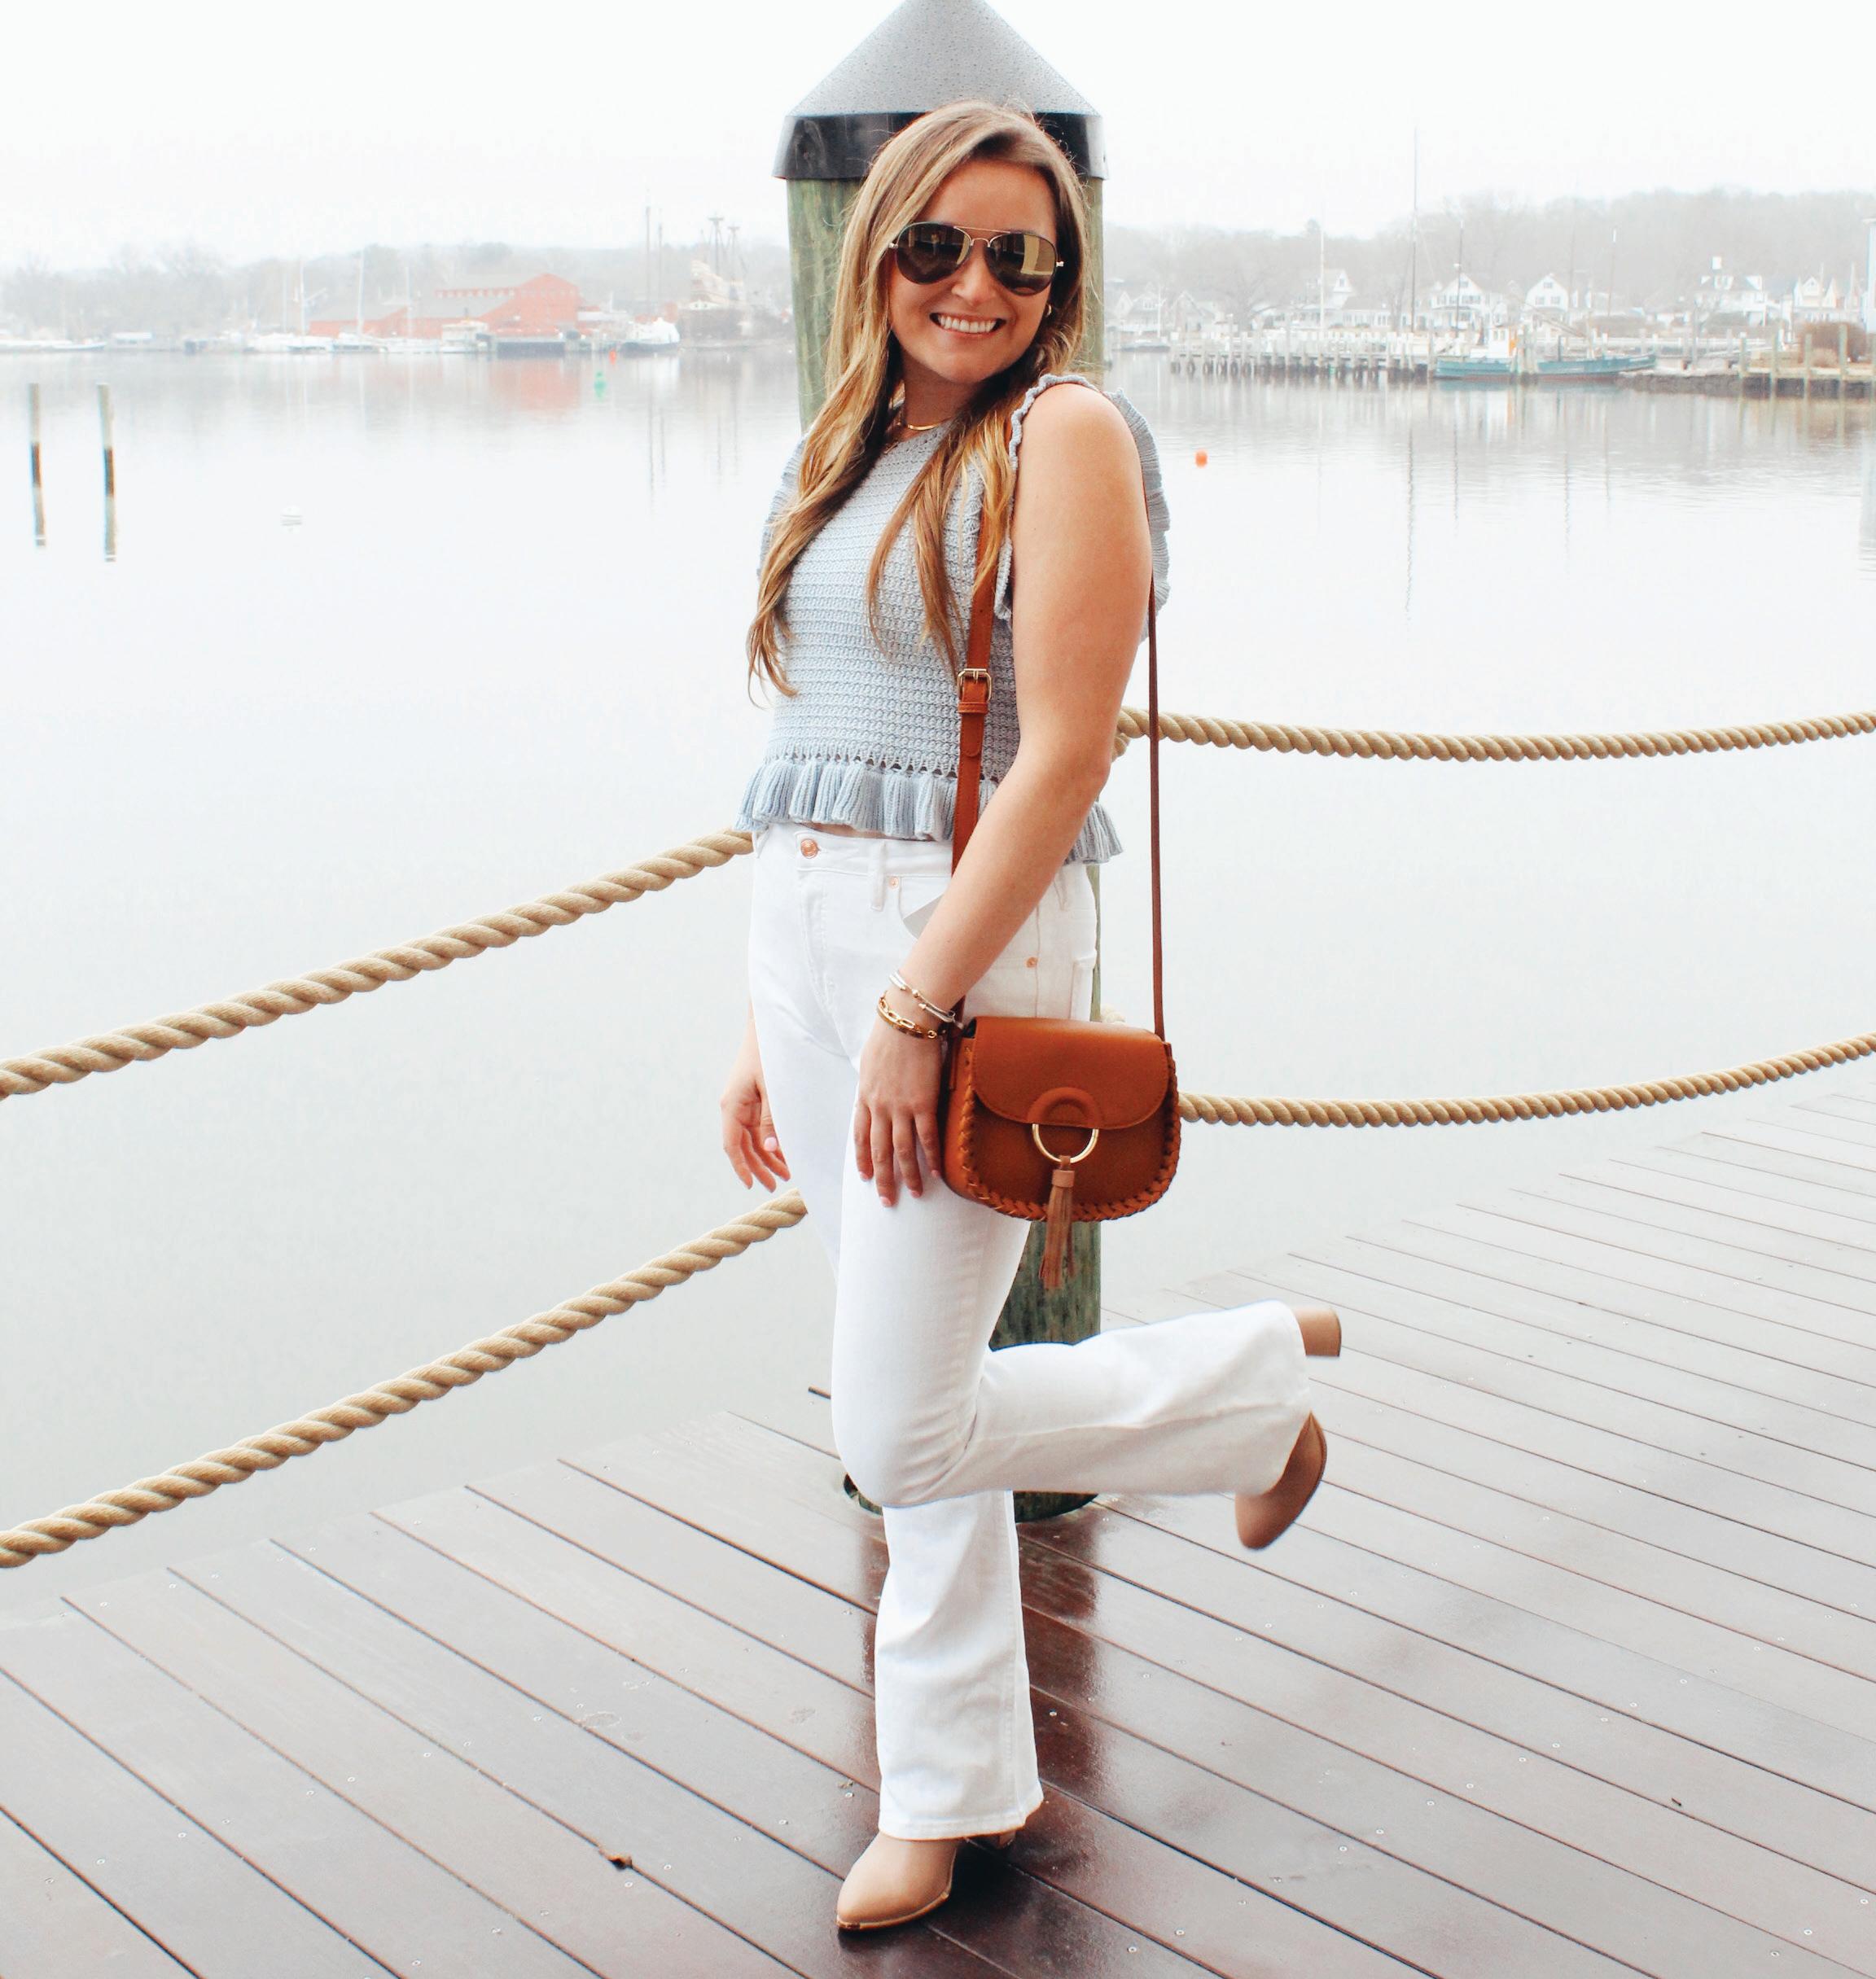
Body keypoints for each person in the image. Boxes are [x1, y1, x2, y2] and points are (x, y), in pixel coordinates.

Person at [720, 98, 1339, 1933]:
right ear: (877, 252)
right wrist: (770, 1014)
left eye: (1018, 254)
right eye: (938, 245)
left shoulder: (1063, 436)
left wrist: (913, 1000)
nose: (973, 285)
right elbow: (805, 737)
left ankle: (1249, 1397)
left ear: (1061, 278)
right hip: (810, 927)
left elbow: (1064, 753)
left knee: (902, 1422)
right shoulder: (844, 441)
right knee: (909, 1391)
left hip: (959, 943)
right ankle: (953, 1786)